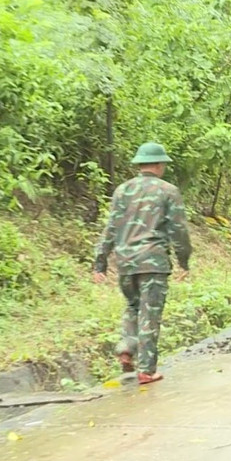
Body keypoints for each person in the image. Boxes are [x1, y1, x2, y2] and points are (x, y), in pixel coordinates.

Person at [93, 142, 192, 385]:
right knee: (150, 315)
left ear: (139, 164)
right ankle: (147, 370)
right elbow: (178, 230)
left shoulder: (122, 191)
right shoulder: (168, 191)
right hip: (153, 262)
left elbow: (111, 228)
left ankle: (127, 346)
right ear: (160, 165)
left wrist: (100, 263)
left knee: (132, 306)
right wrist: (184, 261)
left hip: (125, 262)